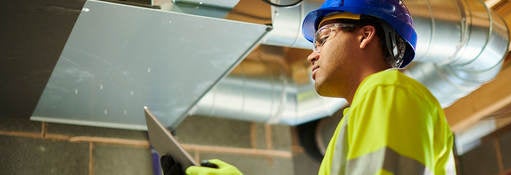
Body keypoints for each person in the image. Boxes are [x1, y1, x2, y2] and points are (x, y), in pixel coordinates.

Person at [162, 0, 455, 174]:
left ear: (365, 34)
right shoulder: (360, 116)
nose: (311, 54)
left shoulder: (388, 92)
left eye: (324, 38)